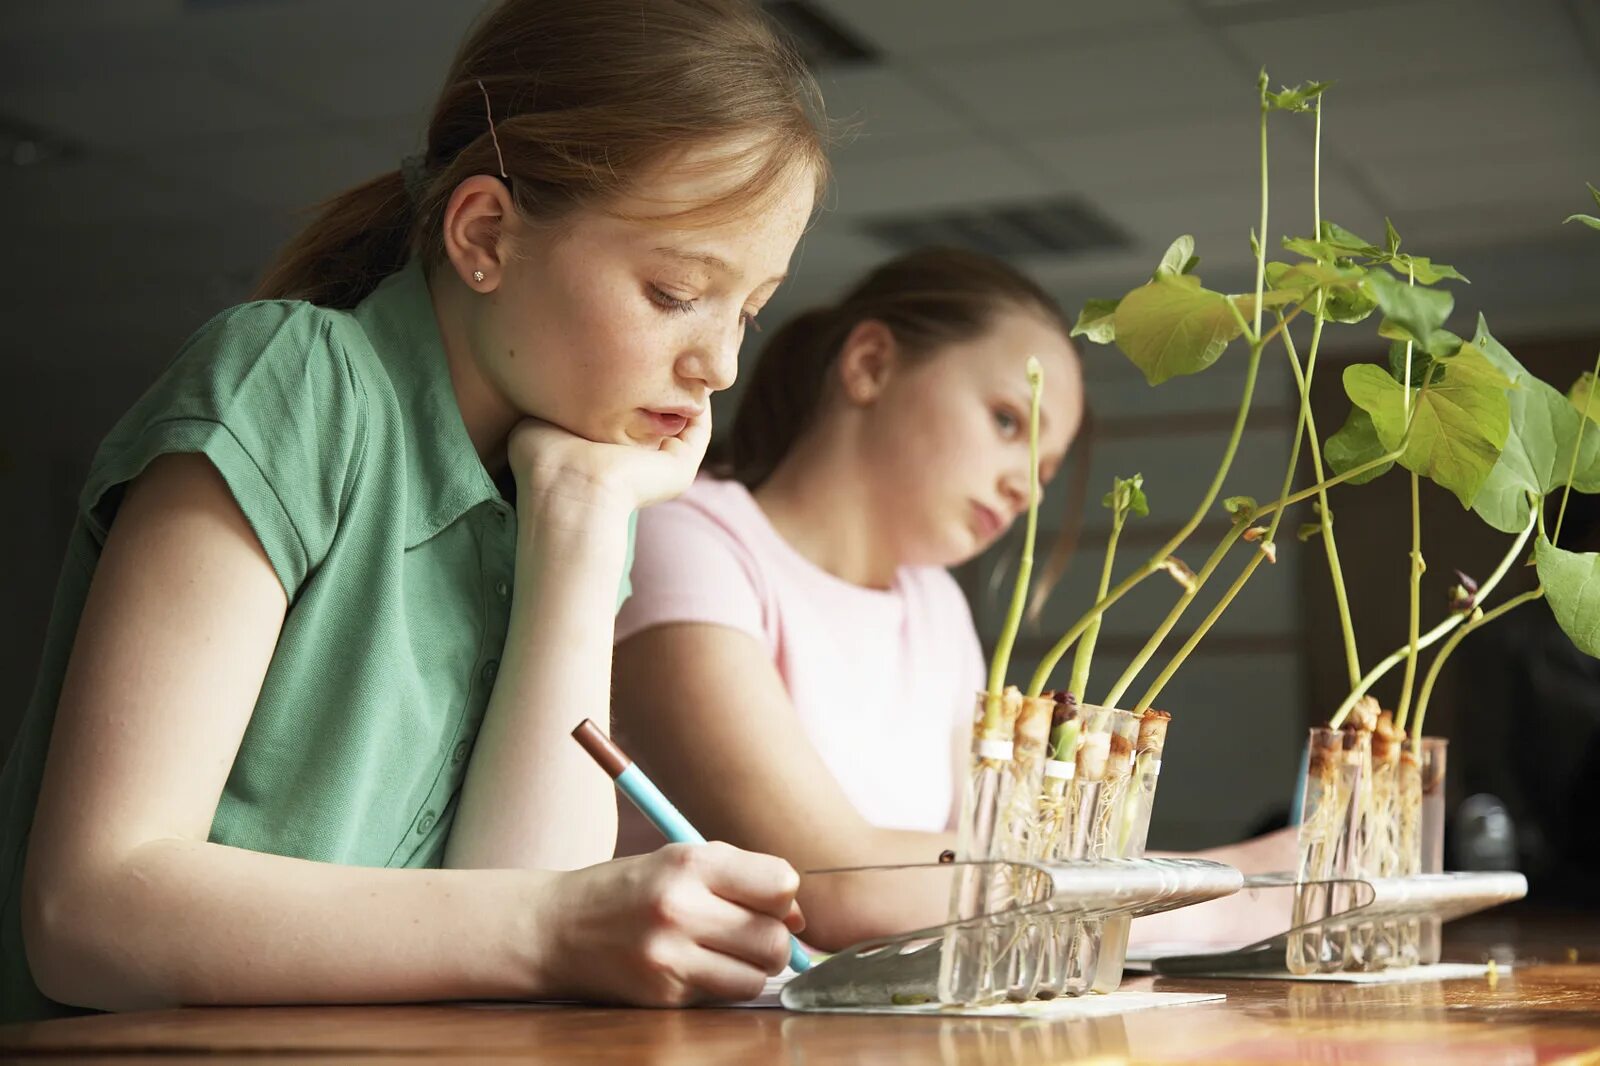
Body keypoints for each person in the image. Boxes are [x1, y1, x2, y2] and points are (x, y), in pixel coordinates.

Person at [0, 0, 828, 1020]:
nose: (720, 366)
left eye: (748, 309)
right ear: (485, 233)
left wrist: (580, 520)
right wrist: (563, 922)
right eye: (673, 291)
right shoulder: (298, 380)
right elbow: (87, 912)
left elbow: (518, 961)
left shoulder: (570, 483)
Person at [611, 248, 1296, 953]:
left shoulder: (934, 604)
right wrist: (1236, 885)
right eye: (1007, 422)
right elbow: (826, 883)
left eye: (1046, 469)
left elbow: (1000, 870)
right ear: (871, 364)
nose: (1024, 486)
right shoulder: (686, 531)